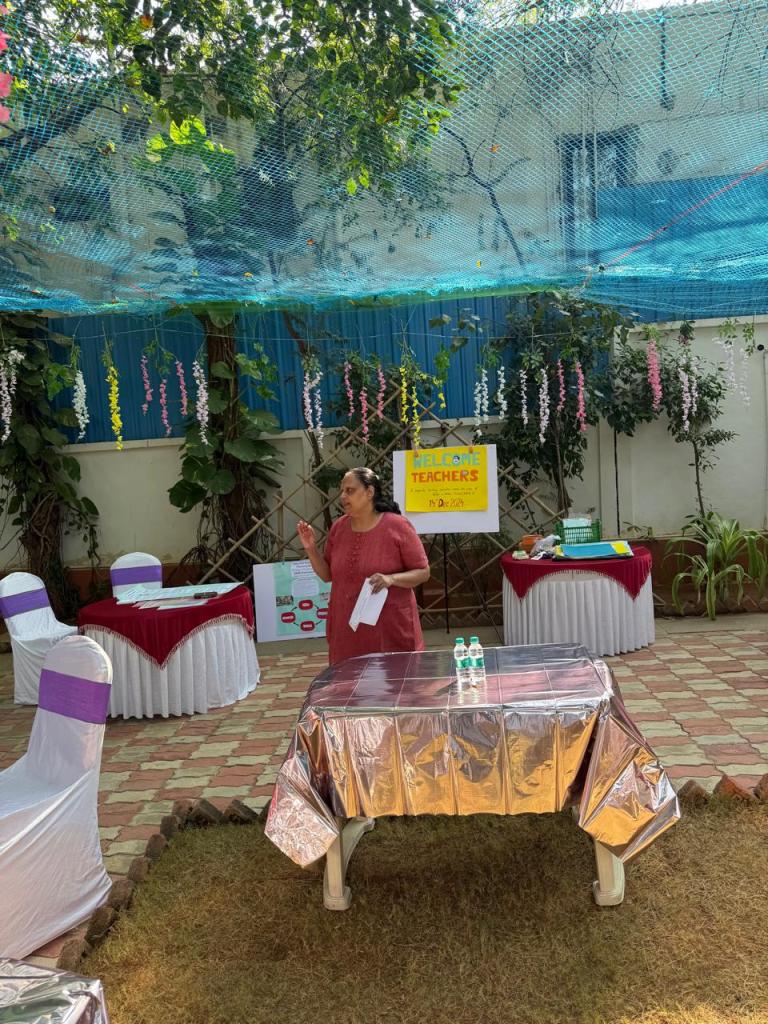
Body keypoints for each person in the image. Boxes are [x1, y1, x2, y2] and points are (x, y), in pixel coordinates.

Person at [297, 467, 430, 665]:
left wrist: (391, 579)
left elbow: (423, 572)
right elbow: (327, 575)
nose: (343, 496)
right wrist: (310, 548)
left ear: (369, 492)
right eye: (342, 491)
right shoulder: (339, 528)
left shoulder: (398, 526)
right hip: (346, 632)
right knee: (347, 682)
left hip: (390, 631)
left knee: (393, 681)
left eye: (350, 490)